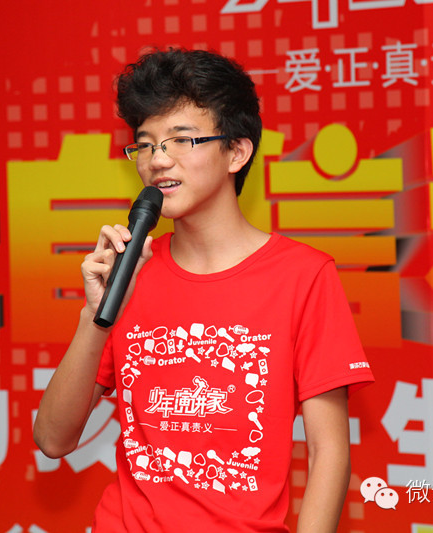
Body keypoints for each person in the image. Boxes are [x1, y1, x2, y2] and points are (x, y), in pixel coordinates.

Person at [33, 48, 374, 532]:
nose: (158, 160)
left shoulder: (304, 275)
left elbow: (328, 451)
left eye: (182, 140)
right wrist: (95, 315)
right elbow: (53, 439)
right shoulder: (131, 273)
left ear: (237, 152)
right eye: (145, 144)